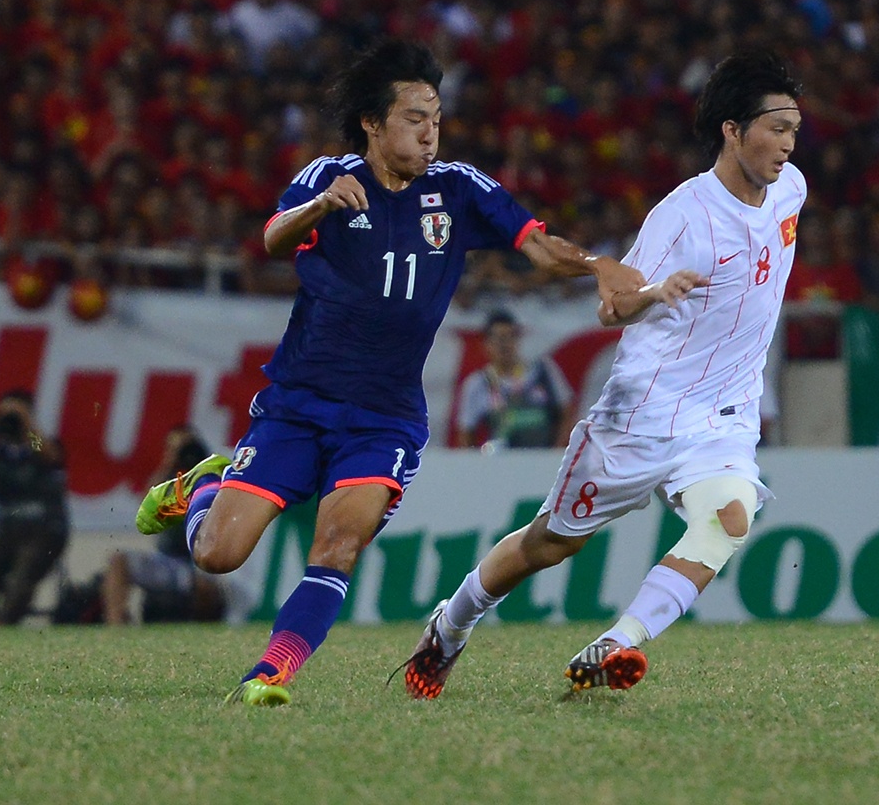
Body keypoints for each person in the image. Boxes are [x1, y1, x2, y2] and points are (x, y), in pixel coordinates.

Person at [129, 38, 661, 706]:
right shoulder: (330, 176)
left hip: (384, 419)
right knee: (216, 555)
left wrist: (596, 265)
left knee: (338, 545)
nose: (430, 133)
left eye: (436, 118)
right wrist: (320, 207)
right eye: (414, 119)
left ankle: (269, 673)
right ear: (373, 124)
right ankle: (204, 487)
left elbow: (538, 247)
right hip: (299, 403)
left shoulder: (458, 189)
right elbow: (272, 237)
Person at [399, 50, 803, 700]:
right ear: (732, 131)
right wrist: (654, 293)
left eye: (793, 131)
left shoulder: (791, 190)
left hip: (722, 413)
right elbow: (612, 308)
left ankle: (617, 643)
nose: (787, 145)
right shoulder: (684, 215)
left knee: (729, 518)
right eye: (776, 129)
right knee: (551, 542)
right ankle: (450, 625)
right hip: (643, 412)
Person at [0, 390, 69, 626]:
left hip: (45, 529)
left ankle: (2, 624)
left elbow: (50, 456)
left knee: (22, 575)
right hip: (7, 529)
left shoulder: (39, 444)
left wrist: (26, 423)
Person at [103, 427, 227, 625]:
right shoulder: (167, 482)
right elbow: (146, 508)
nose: (183, 454)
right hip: (170, 562)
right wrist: (170, 464)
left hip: (203, 564)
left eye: (186, 447)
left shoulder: (213, 475)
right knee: (119, 561)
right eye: (174, 449)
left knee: (205, 587)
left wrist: (200, 467)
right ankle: (116, 628)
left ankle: (200, 633)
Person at [454, 309, 578, 449]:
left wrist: (557, 451)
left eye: (510, 337)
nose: (504, 345)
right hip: (502, 459)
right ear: (486, 344)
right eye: (499, 339)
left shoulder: (543, 372)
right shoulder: (478, 384)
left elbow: (567, 411)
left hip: (543, 455)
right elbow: (466, 433)